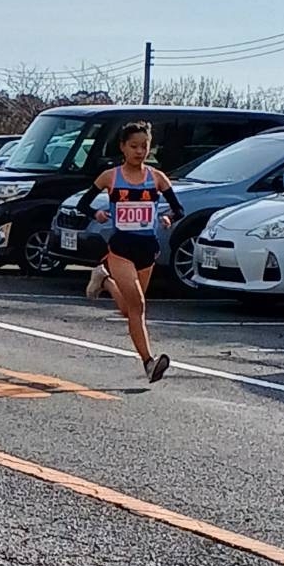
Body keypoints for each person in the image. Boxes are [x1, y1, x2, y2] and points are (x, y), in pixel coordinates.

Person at [77, 121, 185, 383]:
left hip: (147, 249)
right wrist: (97, 213)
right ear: (122, 147)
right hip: (121, 249)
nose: (139, 151)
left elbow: (178, 209)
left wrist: (168, 218)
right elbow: (83, 204)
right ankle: (149, 362)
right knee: (139, 305)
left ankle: (104, 280)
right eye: (134, 146)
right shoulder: (110, 177)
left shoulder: (157, 178)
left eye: (144, 146)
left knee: (129, 310)